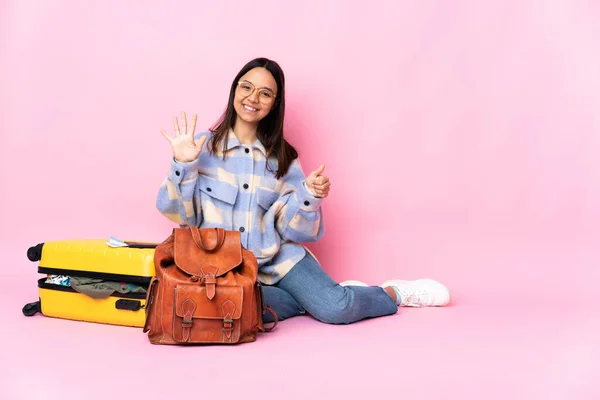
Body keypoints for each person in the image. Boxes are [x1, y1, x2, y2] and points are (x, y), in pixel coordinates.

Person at [156, 57, 450, 325]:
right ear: (234, 90)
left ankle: (391, 292)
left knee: (337, 309)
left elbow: (295, 231)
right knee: (230, 311)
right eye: (246, 87)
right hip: (222, 271)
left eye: (265, 93)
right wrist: (183, 164)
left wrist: (309, 196)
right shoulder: (199, 148)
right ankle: (316, 297)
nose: (253, 98)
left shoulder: (283, 159)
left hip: (278, 261)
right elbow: (177, 213)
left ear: (274, 103)